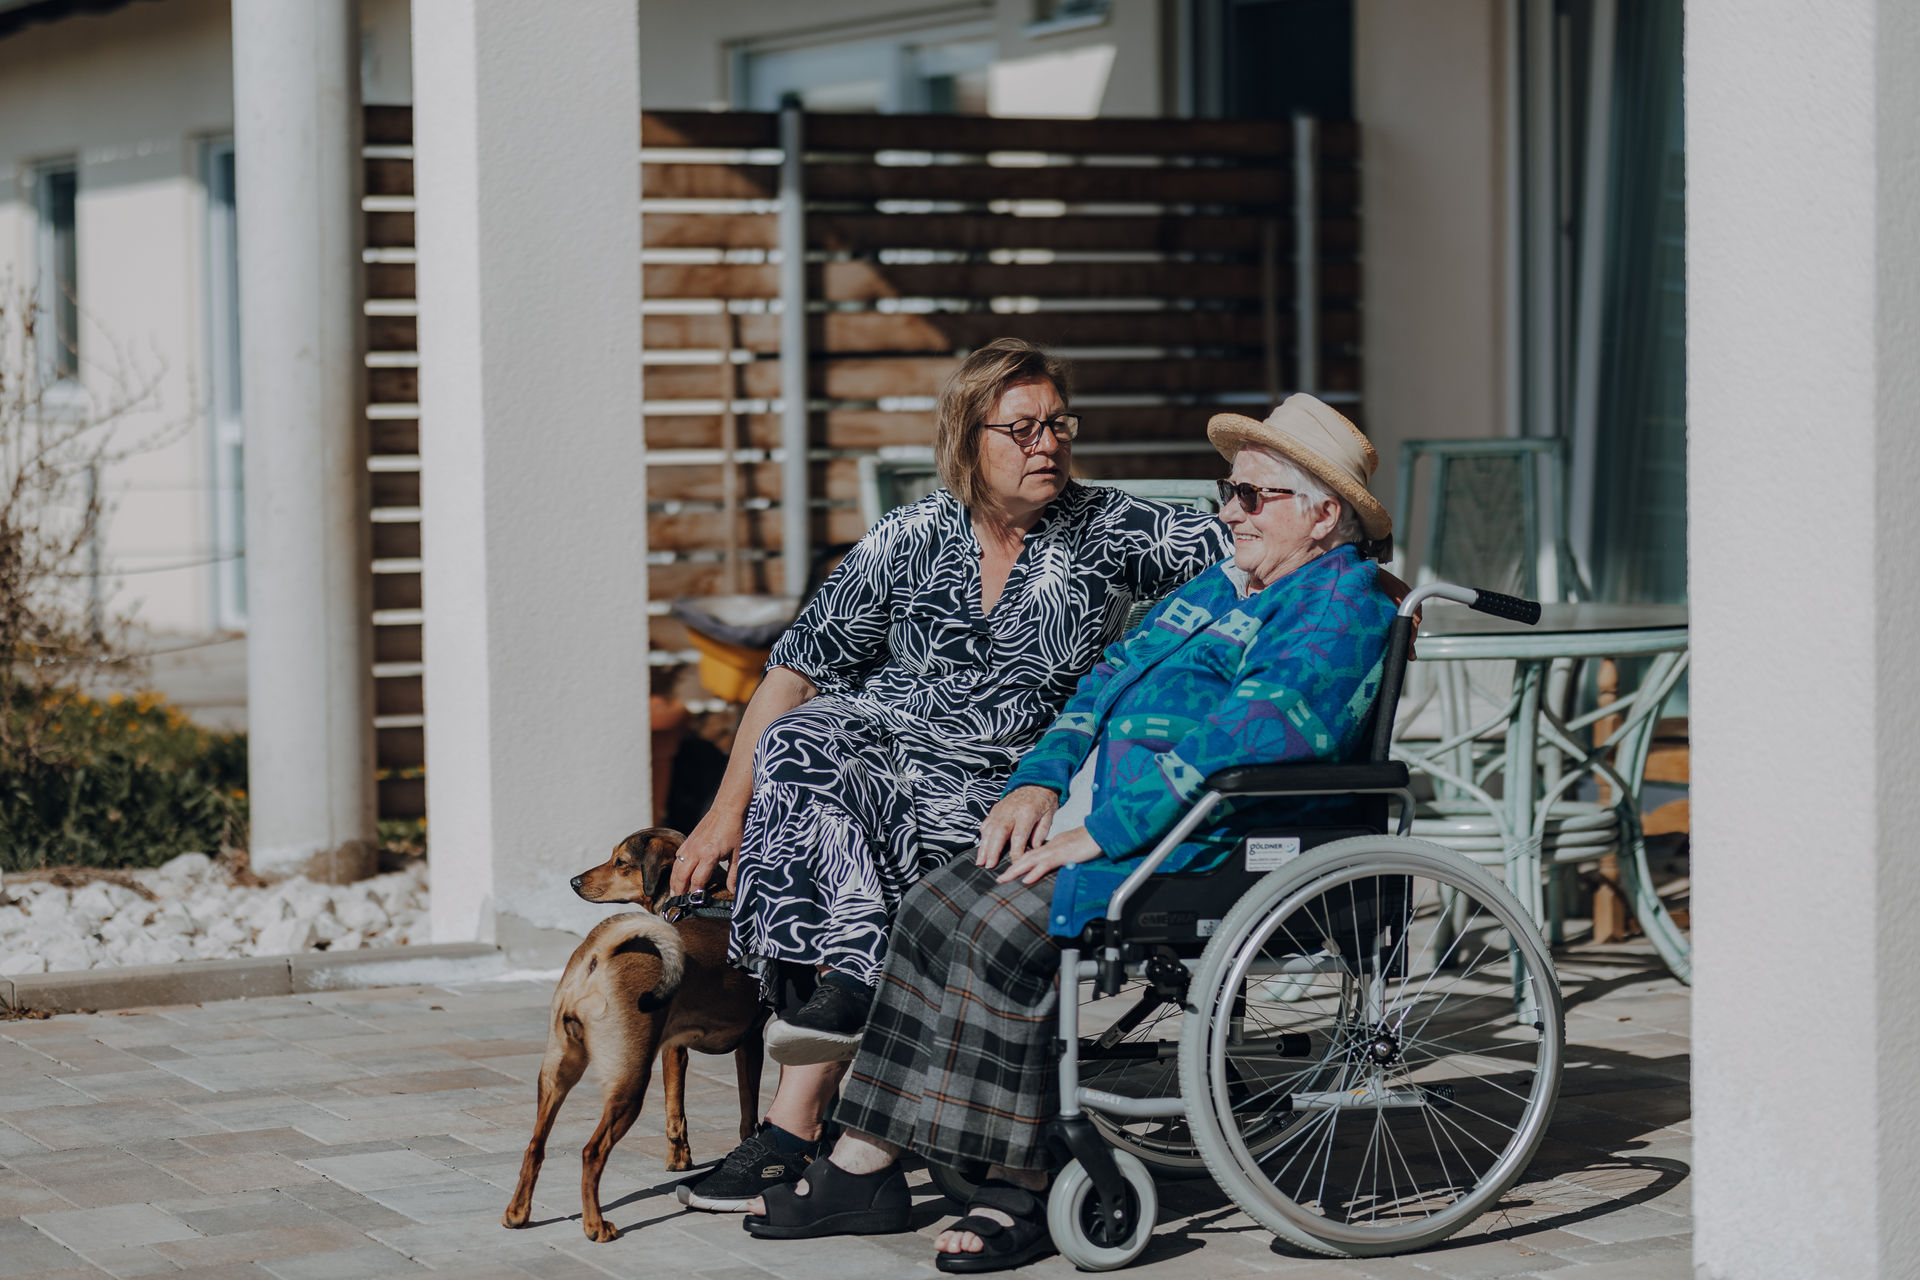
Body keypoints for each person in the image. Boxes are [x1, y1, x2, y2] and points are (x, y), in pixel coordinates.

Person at [736, 393, 1398, 1274]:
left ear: (1323, 514)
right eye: (1228, 492)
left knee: (1000, 931)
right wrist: (1039, 781)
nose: (1229, 512)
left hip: (1207, 845)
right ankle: (864, 1160)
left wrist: (1105, 828)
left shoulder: (1339, 603)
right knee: (931, 908)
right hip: (1118, 823)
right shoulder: (1225, 585)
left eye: (1251, 496)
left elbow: (1258, 737)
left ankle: (1023, 1182)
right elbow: (1100, 681)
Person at [668, 339, 1230, 1211]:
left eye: (1059, 424)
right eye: (1023, 429)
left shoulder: (1113, 527)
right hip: (885, 762)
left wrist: (1365, 585)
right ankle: (842, 1016)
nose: (1049, 443)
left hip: (1009, 788)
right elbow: (794, 671)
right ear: (967, 440)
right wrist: (719, 817)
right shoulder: (909, 536)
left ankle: (797, 1116)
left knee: (834, 815)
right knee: (805, 740)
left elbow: (1263, 550)